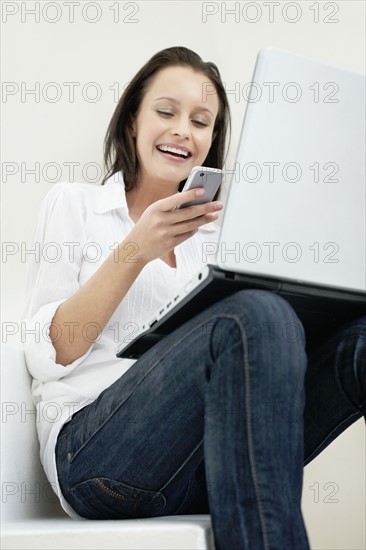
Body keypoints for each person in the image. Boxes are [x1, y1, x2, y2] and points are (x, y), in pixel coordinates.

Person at [22, 46, 365, 550]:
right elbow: (53, 354)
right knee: (256, 313)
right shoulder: (76, 206)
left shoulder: (219, 241)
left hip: (203, 460)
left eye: (201, 121)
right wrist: (136, 249)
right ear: (131, 121)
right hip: (96, 462)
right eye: (166, 112)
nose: (183, 129)